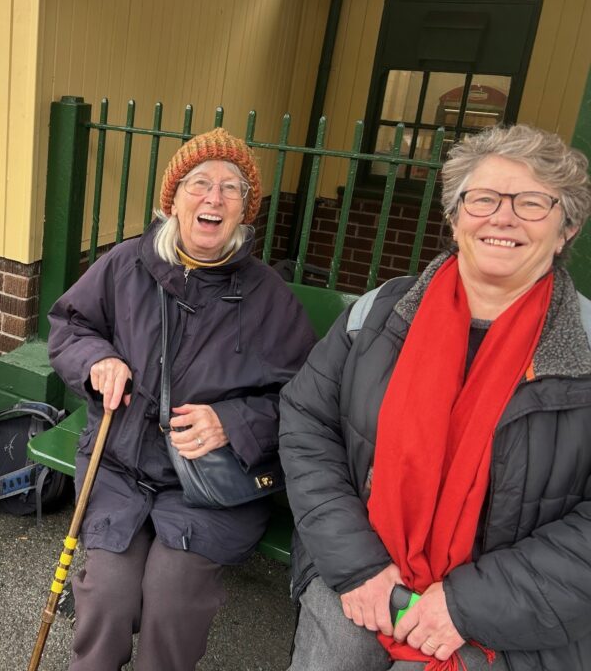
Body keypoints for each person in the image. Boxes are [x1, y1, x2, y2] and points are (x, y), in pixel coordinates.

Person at [279, 124, 591, 671]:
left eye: (532, 202)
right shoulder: (379, 313)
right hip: (361, 561)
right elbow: (307, 422)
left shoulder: (583, 345)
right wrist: (355, 564)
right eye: (483, 198)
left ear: (566, 228)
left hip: (515, 608)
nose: (503, 217)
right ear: (454, 217)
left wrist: (468, 605)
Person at [48, 128, 315, 670]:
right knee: (107, 596)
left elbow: (306, 400)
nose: (214, 197)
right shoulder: (126, 264)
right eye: (199, 183)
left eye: (231, 188)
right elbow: (70, 325)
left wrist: (232, 422)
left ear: (245, 210)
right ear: (173, 198)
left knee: (171, 599)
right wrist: (97, 359)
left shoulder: (269, 298)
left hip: (211, 486)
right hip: (119, 467)